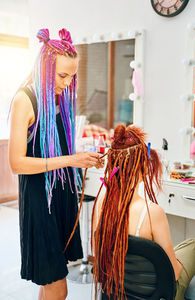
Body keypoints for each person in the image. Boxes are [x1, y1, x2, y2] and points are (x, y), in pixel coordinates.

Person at [9, 28, 104, 300]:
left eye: (72, 76)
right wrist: (72, 159)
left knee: (51, 280)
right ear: (44, 68)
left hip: (60, 198)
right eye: (62, 75)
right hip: (40, 202)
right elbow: (17, 163)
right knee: (57, 287)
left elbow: (56, 147)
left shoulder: (58, 99)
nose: (67, 82)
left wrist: (81, 157)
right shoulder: (24, 100)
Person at [92, 124, 195, 300]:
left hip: (115, 294)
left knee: (187, 246)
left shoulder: (101, 205)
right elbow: (174, 273)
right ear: (142, 168)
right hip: (158, 295)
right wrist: (178, 263)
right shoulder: (152, 212)